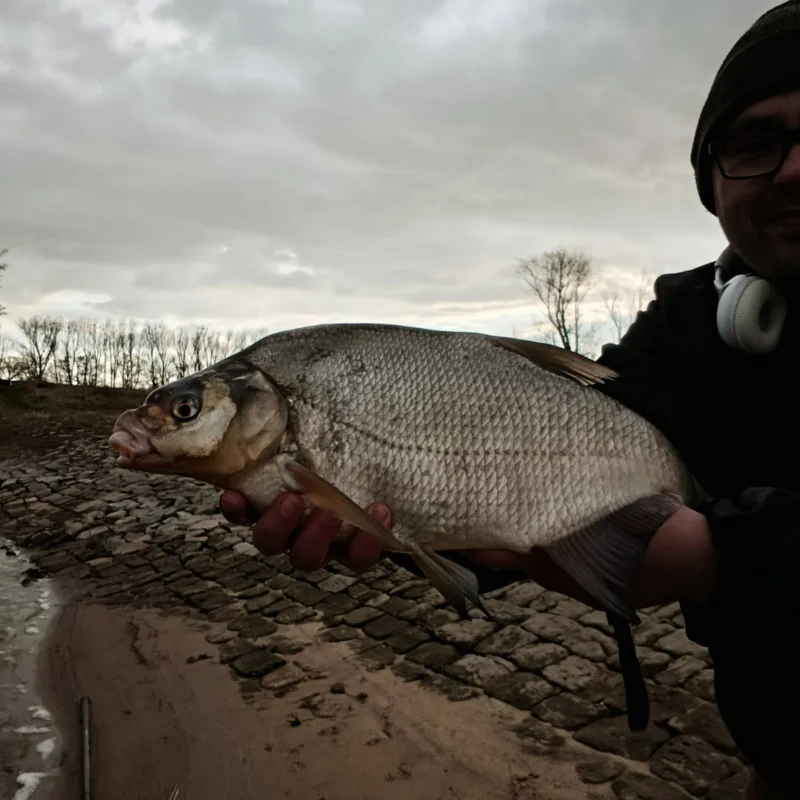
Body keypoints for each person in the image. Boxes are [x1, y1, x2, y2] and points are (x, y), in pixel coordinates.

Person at [220, 3, 800, 796]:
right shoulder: (685, 324)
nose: (792, 170)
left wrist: (719, 556)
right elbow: (538, 457)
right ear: (713, 181)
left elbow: (706, 549)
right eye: (755, 143)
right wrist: (411, 520)